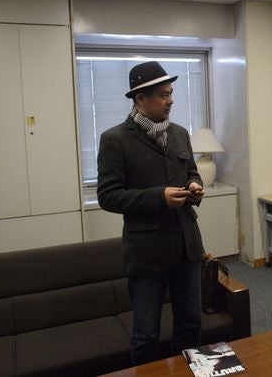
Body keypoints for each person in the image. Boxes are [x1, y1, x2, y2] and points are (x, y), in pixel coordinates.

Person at [97, 61, 205, 366]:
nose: (171, 100)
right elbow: (108, 196)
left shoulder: (180, 133)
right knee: (146, 334)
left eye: (171, 93)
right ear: (140, 99)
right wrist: (159, 197)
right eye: (163, 95)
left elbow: (191, 171)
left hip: (186, 247)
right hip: (146, 253)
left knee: (191, 325)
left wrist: (194, 185)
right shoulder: (115, 139)